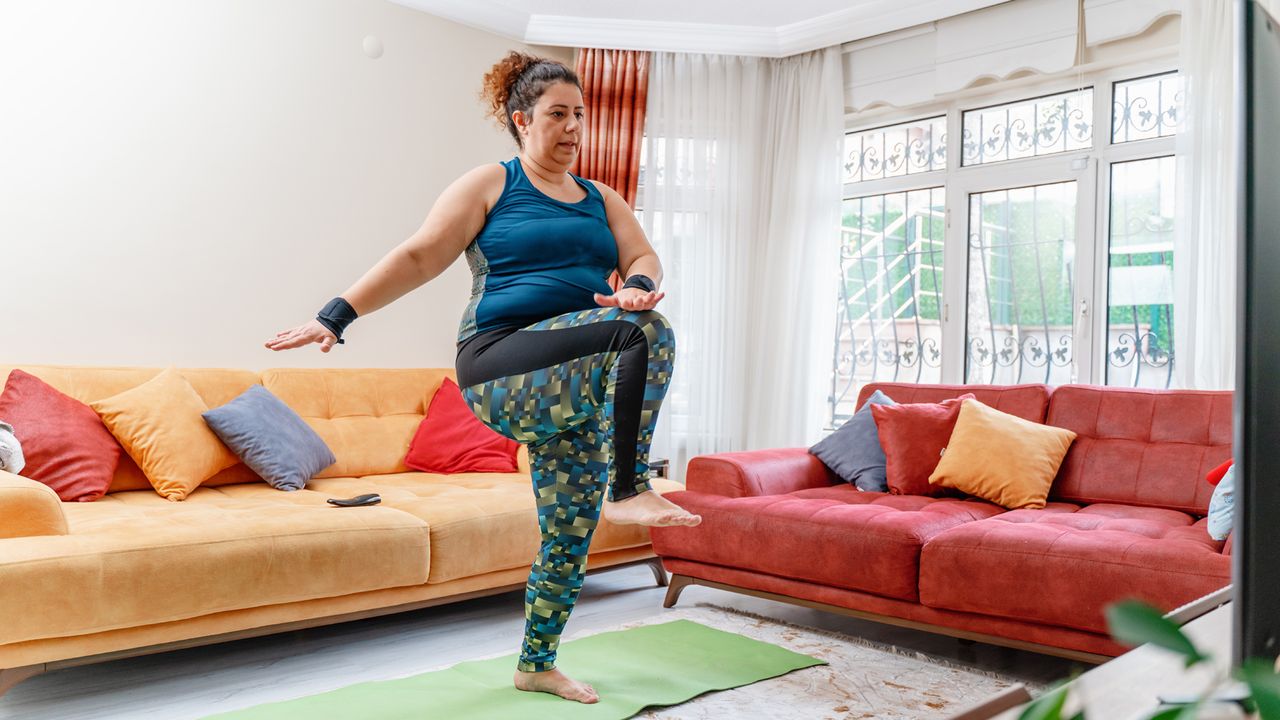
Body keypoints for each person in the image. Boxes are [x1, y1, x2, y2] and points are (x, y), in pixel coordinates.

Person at [265, 50, 701, 704]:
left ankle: (536, 664)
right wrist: (336, 315)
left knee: (569, 531)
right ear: (522, 120)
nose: (574, 127)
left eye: (580, 114)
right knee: (644, 335)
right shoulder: (492, 185)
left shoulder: (600, 198)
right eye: (558, 114)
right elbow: (419, 254)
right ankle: (631, 483)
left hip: (568, 383)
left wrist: (638, 283)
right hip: (500, 363)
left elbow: (642, 254)